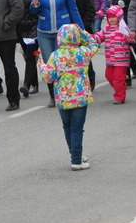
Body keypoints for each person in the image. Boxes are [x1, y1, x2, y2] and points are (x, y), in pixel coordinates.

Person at [38, 23, 99, 170]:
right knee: (78, 128)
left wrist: (41, 66)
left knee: (67, 126)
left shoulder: (55, 56)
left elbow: (48, 77)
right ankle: (76, 160)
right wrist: (81, 31)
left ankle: (75, 154)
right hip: (80, 96)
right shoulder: (83, 52)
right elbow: (94, 42)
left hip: (62, 97)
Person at [94, 5, 132, 103]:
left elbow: (130, 38)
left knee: (118, 78)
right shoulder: (106, 29)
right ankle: (120, 87)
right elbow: (98, 37)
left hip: (121, 59)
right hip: (110, 59)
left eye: (113, 17)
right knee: (109, 76)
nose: (111, 19)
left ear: (119, 17)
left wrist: (132, 35)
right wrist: (89, 37)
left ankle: (120, 96)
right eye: (109, 17)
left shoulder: (123, 28)